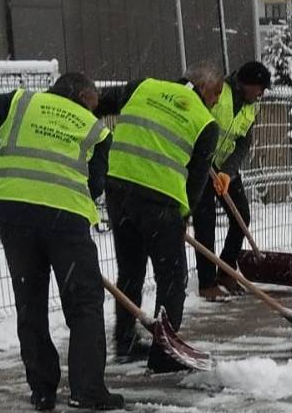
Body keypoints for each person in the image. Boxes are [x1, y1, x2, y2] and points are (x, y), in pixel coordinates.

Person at [0, 74, 123, 411]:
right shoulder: (97, 131)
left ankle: (42, 390)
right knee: (84, 304)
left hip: (15, 218)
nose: (94, 111)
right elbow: (95, 186)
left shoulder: (20, 102)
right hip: (65, 221)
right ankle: (87, 390)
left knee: (30, 303)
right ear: (82, 95)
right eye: (93, 104)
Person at [97, 63, 221, 374]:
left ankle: (124, 342)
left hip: (117, 190)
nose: (217, 102)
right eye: (217, 95)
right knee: (172, 276)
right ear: (208, 90)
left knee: (130, 271)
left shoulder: (143, 85)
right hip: (160, 201)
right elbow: (196, 180)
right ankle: (164, 352)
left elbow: (97, 103)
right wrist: (183, 215)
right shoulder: (206, 122)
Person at [192, 61, 271, 301]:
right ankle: (206, 284)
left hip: (225, 169)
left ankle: (226, 269)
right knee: (205, 222)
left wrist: (228, 170)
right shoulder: (219, 90)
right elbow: (197, 123)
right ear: (247, 84)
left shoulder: (252, 106)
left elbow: (244, 142)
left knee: (241, 215)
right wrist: (201, 159)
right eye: (260, 88)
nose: (261, 94)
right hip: (201, 166)